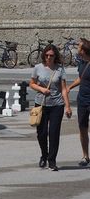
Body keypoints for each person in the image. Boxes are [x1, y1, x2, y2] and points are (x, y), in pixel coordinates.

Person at [30, 43, 72, 171]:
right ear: (44, 55)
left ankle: (52, 160)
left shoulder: (60, 69)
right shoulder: (38, 68)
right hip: (41, 104)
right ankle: (44, 154)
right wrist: (41, 89)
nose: (49, 58)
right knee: (41, 133)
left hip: (56, 105)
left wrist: (68, 106)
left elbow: (63, 89)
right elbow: (32, 84)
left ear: (55, 56)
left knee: (54, 133)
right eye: (47, 55)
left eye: (51, 56)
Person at [67, 37, 90, 166]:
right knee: (82, 128)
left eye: (79, 46)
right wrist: (69, 87)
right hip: (82, 100)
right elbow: (81, 78)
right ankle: (85, 156)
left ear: (84, 50)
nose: (77, 48)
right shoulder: (81, 62)